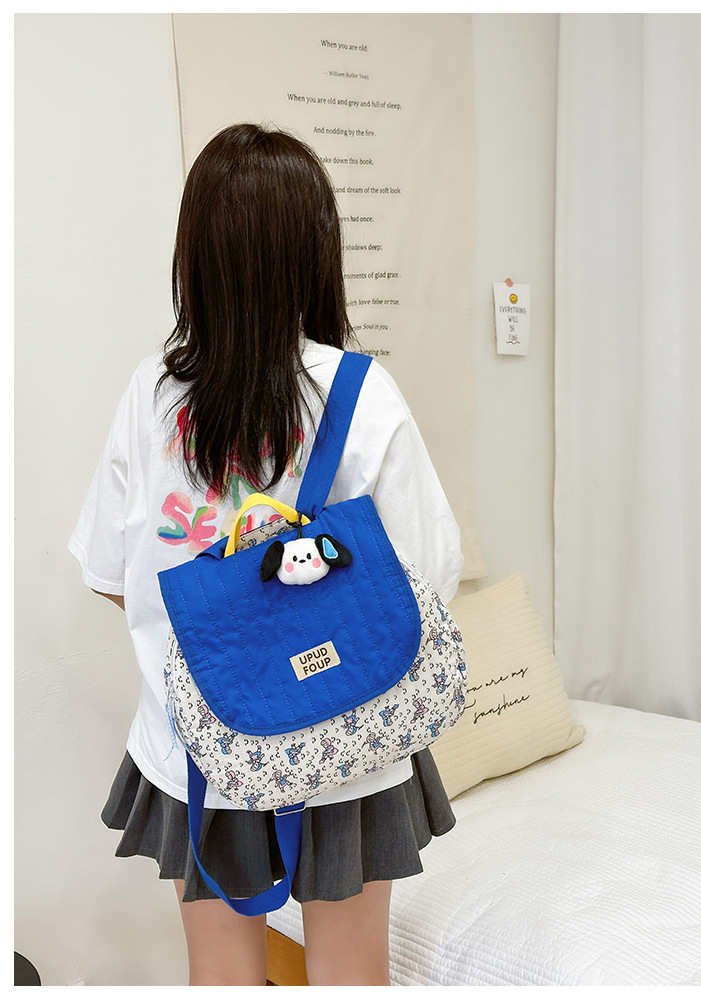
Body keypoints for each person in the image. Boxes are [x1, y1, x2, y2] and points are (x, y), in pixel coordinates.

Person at [68, 122, 463, 987]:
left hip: (204, 748)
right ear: (316, 252)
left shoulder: (151, 396)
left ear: (196, 256)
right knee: (352, 977)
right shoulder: (361, 392)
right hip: (348, 745)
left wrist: (230, 637)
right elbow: (427, 576)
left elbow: (111, 576)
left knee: (220, 978)